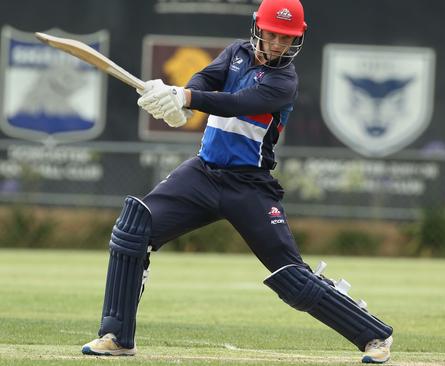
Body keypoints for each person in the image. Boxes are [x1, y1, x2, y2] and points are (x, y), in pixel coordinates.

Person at [80, 0, 394, 363]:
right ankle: (117, 336)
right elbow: (206, 79)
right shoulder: (236, 53)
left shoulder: (284, 81)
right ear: (258, 28)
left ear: (298, 39)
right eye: (273, 34)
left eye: (286, 38)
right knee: (134, 229)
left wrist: (185, 97)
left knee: (291, 276)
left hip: (250, 187)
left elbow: (236, 102)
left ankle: (374, 335)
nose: (277, 44)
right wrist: (180, 100)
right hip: (202, 173)